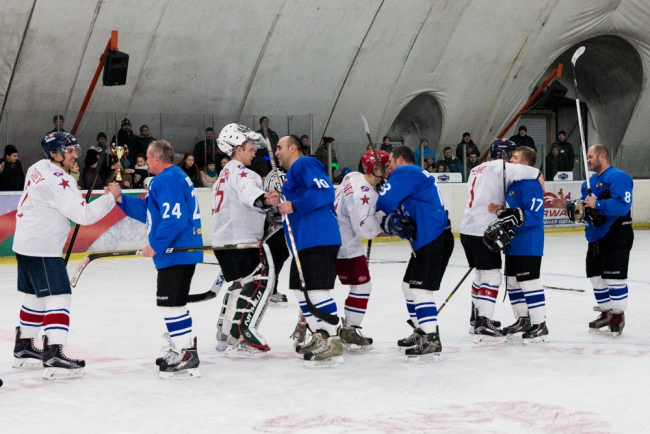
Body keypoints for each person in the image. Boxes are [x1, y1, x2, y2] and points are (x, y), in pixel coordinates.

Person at [12, 132, 117, 379]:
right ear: (55, 154)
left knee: (35, 297)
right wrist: (110, 197)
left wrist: (71, 195)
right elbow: (84, 216)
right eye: (69, 150)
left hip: (25, 243)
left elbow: (53, 199)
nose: (75, 154)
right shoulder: (61, 180)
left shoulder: (38, 167)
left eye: (74, 149)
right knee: (59, 296)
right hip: (43, 248)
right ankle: (54, 353)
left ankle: (24, 346)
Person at [109, 139, 204, 379]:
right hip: (178, 252)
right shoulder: (170, 177)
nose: (147, 161)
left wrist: (156, 245)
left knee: (171, 304)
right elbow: (149, 211)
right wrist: (121, 199)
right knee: (173, 303)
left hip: (176, 252)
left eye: (149, 158)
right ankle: (181, 349)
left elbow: (175, 218)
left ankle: (186, 353)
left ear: (157, 159)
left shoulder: (166, 179)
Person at [459, 138, 542, 343]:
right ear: (504, 155)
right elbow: (531, 171)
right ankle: (483, 320)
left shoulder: (476, 169)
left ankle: (476, 318)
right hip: (483, 229)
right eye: (511, 154)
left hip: (467, 229)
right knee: (493, 276)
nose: (512, 158)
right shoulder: (501, 167)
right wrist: (540, 177)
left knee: (480, 274)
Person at [376, 146, 454, 360]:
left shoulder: (406, 171)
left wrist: (385, 196)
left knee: (420, 290)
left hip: (433, 237)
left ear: (400, 160)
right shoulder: (413, 175)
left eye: (391, 162)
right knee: (408, 286)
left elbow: (384, 203)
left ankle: (431, 338)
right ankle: (421, 330)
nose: (388, 167)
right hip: (430, 238)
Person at [210, 124, 280, 355]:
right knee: (260, 279)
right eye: (250, 148)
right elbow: (249, 194)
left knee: (240, 284)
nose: (254, 152)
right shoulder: (243, 173)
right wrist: (267, 199)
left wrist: (269, 210)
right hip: (242, 241)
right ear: (237, 148)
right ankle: (243, 333)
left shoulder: (223, 174)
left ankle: (224, 332)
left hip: (223, 242)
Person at [274, 135, 343, 366]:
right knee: (299, 289)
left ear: (293, 148)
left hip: (318, 236)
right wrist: (279, 200)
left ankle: (332, 339)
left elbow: (325, 191)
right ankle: (319, 334)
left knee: (316, 290)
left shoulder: (304, 163)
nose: (276, 153)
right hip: (304, 240)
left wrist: (294, 204)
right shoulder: (291, 175)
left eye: (280, 148)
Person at [567, 144, 633, 337]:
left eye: (590, 157)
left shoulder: (618, 177)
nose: (587, 160)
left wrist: (599, 204)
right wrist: (579, 210)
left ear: (602, 156)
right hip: (595, 235)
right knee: (596, 278)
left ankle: (617, 315)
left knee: (613, 277)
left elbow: (623, 205)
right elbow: (588, 207)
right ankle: (606, 312)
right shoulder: (588, 182)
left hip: (616, 233)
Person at [487, 146, 548, 343]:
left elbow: (536, 214)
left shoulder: (530, 184)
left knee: (529, 282)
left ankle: (540, 324)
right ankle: (523, 319)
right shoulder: (512, 184)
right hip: (514, 243)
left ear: (525, 164)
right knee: (512, 282)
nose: (510, 160)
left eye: (515, 157)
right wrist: (501, 212)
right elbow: (514, 213)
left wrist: (512, 215)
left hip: (529, 243)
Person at [333, 149, 389, 350]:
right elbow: (364, 229)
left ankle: (304, 324)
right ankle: (349, 330)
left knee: (319, 287)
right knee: (363, 286)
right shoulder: (365, 194)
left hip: (332, 238)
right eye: (384, 166)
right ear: (375, 169)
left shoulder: (353, 177)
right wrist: (384, 222)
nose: (388, 169)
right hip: (346, 246)